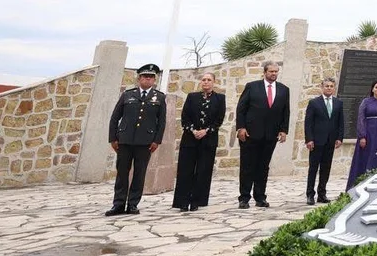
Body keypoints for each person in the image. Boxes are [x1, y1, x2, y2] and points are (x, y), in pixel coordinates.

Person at [105, 63, 166, 216]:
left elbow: (162, 121)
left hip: (145, 142)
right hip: (124, 141)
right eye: (145, 76)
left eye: (151, 77)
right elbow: (115, 117)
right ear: (139, 78)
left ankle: (133, 204)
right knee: (122, 174)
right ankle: (118, 204)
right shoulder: (128, 95)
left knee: (139, 174)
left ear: (154, 80)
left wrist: (156, 141)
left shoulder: (159, 97)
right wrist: (113, 138)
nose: (148, 79)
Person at [236, 61, 289, 209]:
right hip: (250, 134)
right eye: (271, 71)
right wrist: (241, 128)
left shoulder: (284, 90)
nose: (274, 74)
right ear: (265, 72)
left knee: (263, 167)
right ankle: (244, 198)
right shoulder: (252, 87)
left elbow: (286, 112)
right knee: (247, 166)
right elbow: (241, 109)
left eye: (276, 71)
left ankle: (260, 197)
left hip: (270, 135)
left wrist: (284, 130)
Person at [172, 71, 226, 212]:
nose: (206, 82)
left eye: (209, 80)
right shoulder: (192, 97)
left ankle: (197, 200)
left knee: (203, 171)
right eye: (203, 80)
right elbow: (185, 117)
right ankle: (182, 201)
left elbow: (219, 120)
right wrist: (193, 130)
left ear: (213, 82)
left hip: (208, 140)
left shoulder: (220, 99)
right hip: (190, 139)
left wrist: (206, 131)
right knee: (185, 170)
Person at [347, 80, 377, 190]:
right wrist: (362, 136)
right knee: (365, 159)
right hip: (368, 135)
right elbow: (361, 118)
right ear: (372, 89)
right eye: (376, 87)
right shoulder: (366, 102)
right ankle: (361, 184)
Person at [303, 78, 345, 205]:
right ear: (322, 87)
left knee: (326, 169)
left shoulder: (338, 103)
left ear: (334, 88)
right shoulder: (314, 103)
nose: (329, 88)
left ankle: (322, 194)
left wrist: (339, 138)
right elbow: (308, 123)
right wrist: (309, 139)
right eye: (326, 86)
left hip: (330, 141)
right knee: (313, 169)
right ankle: (310, 194)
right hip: (316, 141)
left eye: (331, 86)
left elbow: (340, 122)